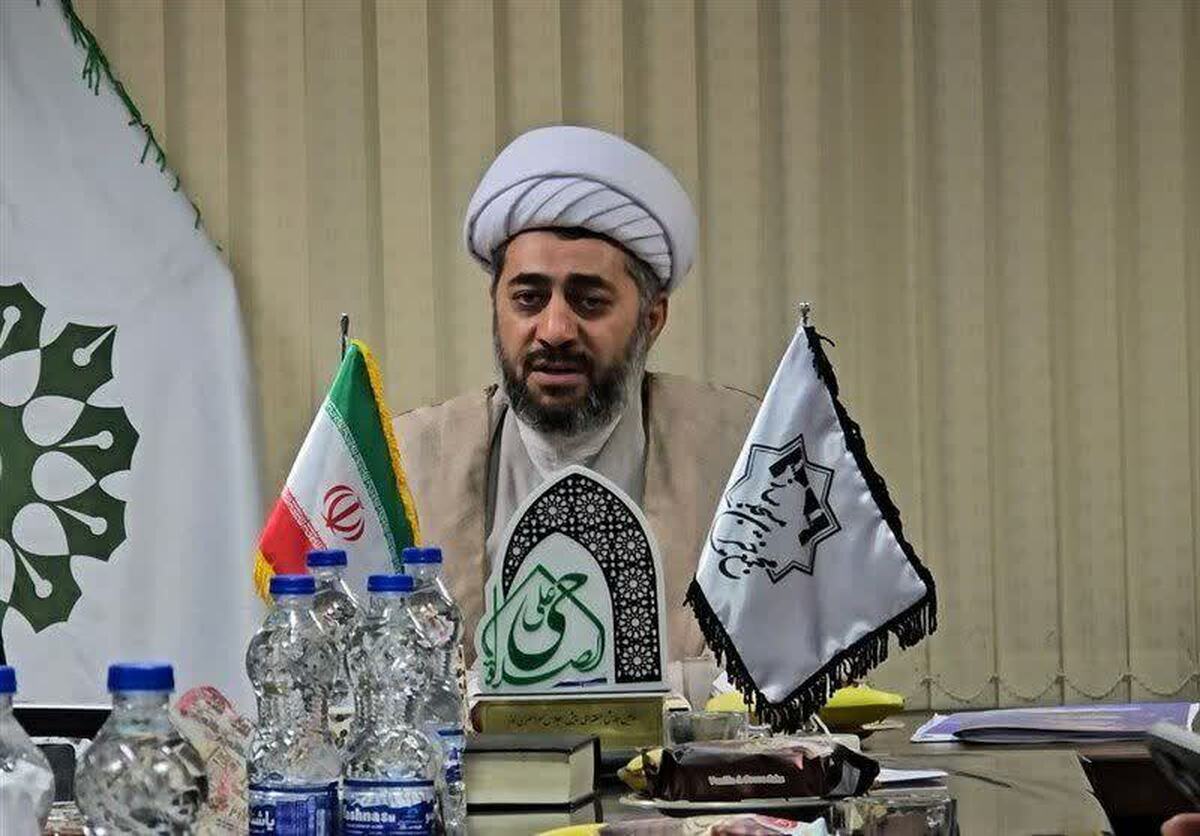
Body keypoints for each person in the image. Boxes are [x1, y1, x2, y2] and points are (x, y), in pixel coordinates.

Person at [394, 126, 759, 670]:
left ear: (652, 318)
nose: (555, 330)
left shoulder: (741, 455)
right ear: (495, 306)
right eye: (528, 299)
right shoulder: (410, 461)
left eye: (589, 301)